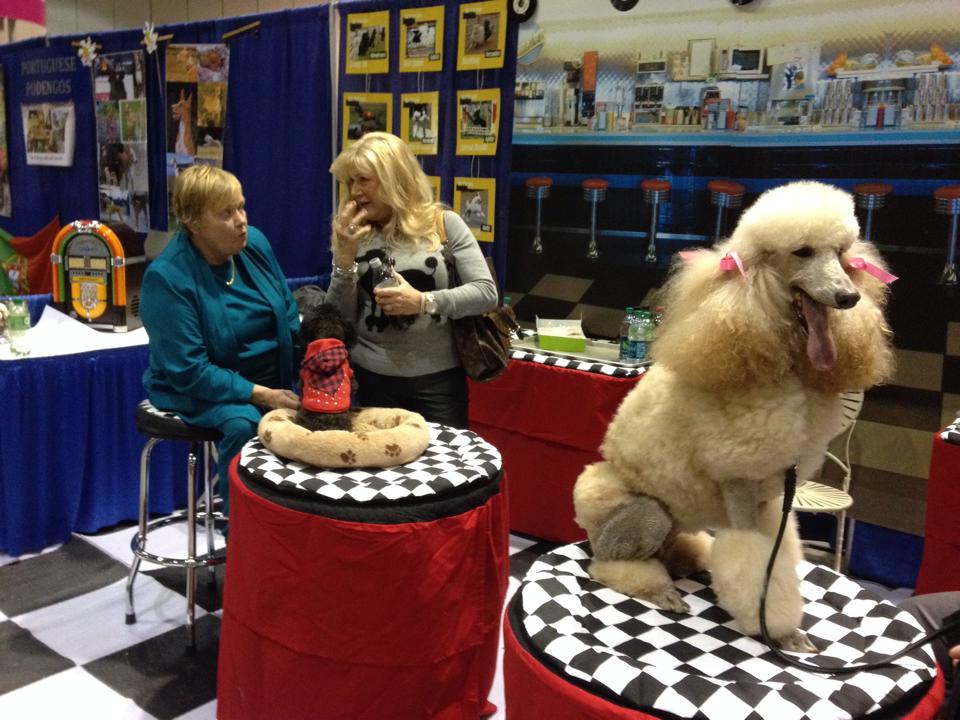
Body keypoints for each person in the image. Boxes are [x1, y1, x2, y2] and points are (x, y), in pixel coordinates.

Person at [140, 165, 300, 511]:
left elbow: (287, 314)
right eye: (227, 213)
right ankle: (242, 537)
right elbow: (189, 371)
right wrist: (262, 394)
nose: (241, 220)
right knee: (244, 423)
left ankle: (294, 532)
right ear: (193, 223)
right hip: (198, 389)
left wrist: (316, 367)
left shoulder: (254, 243)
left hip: (273, 382)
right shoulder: (167, 278)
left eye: (241, 207)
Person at [325, 131, 498, 428]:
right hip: (372, 383)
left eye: (363, 180)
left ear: (394, 178)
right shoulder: (352, 232)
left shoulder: (444, 224)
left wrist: (423, 301)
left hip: (439, 384)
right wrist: (344, 259)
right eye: (349, 182)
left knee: (445, 471)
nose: (354, 192)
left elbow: (486, 293)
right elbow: (337, 320)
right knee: (380, 473)